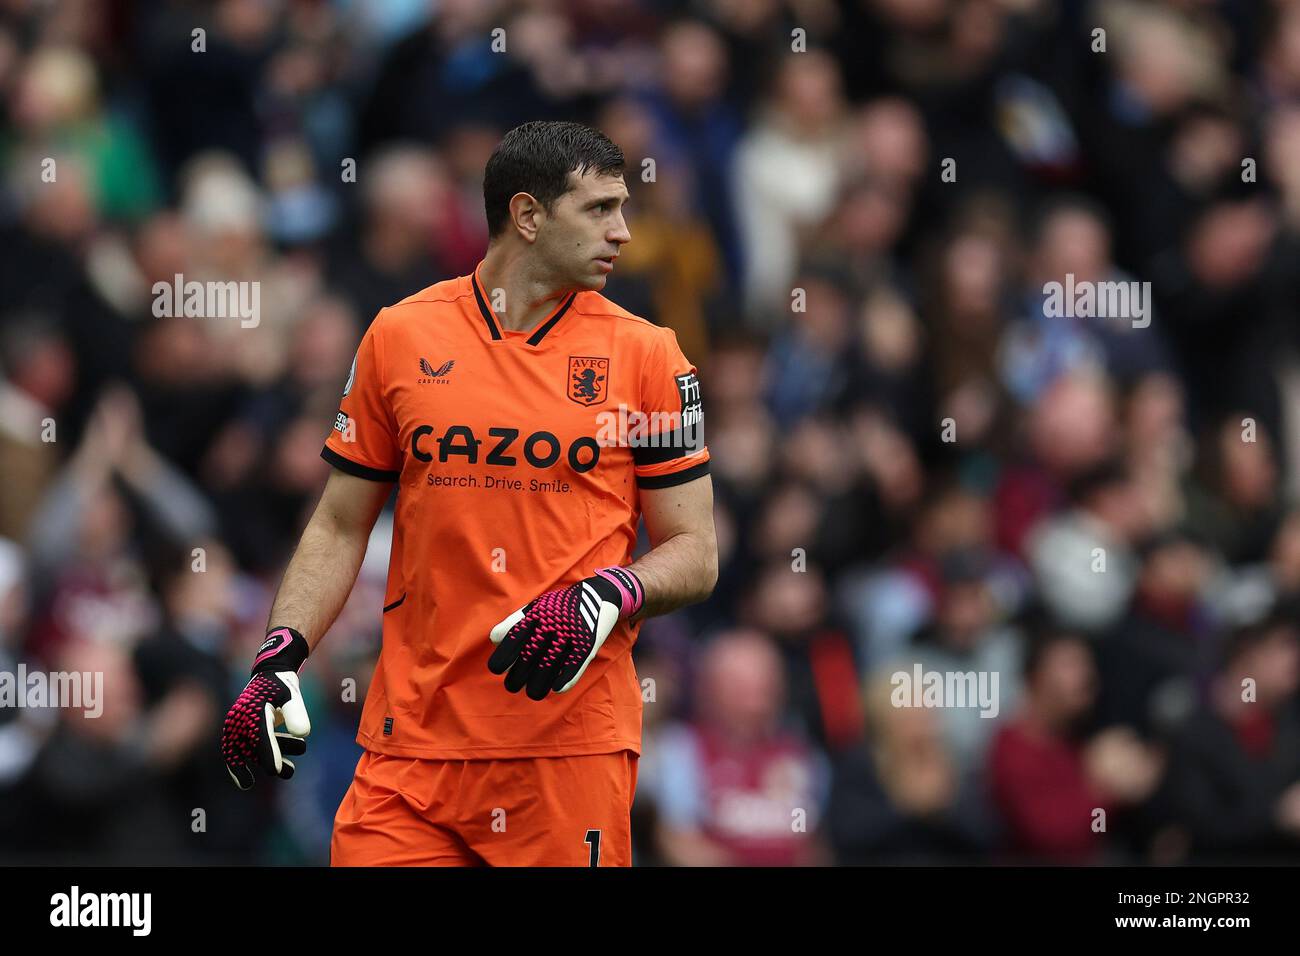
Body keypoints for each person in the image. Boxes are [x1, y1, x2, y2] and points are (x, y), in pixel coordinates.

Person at [219, 121, 718, 866]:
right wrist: (278, 657)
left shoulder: (649, 356)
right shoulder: (400, 335)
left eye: (624, 207)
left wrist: (606, 594)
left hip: (564, 755)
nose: (623, 231)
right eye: (600, 209)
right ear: (527, 215)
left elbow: (696, 552)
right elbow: (338, 523)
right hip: (408, 754)